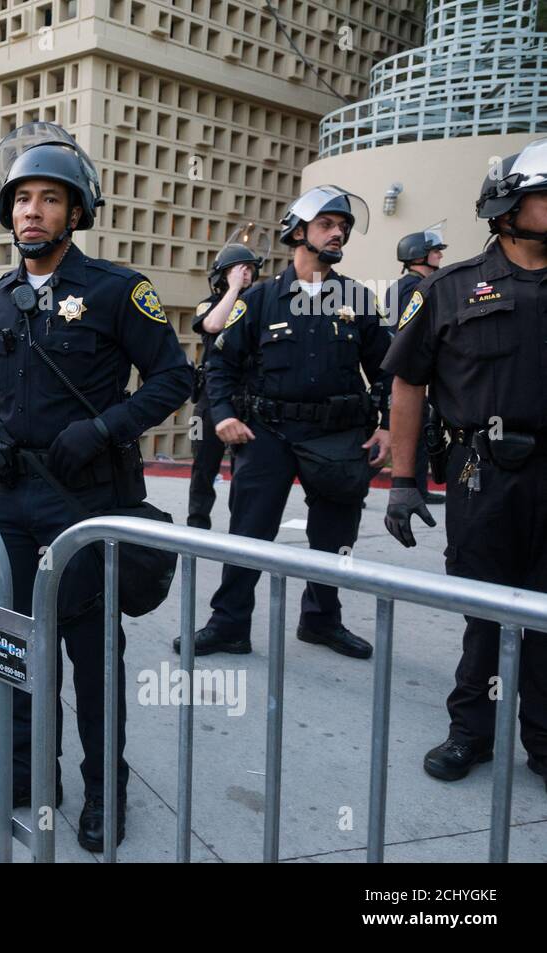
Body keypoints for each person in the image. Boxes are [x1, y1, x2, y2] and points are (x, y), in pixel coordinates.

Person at [0, 123, 193, 850]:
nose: (32, 211)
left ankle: (105, 792)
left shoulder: (118, 291)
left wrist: (108, 427)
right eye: (21, 199)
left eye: (49, 199)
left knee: (93, 656)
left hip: (88, 502)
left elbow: (176, 377)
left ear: (76, 211)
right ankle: (27, 775)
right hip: (15, 504)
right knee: (20, 649)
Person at [383, 139, 547, 792]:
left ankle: (543, 736)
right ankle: (470, 733)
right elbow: (407, 384)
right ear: (507, 205)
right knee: (483, 613)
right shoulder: (448, 290)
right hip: (484, 474)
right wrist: (402, 482)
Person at [175, 186, 393, 662]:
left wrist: (388, 424)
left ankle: (321, 620)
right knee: (249, 532)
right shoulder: (259, 298)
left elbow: (386, 369)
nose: (338, 233)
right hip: (268, 433)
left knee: (334, 538)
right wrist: (226, 415)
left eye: (343, 227)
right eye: (327, 225)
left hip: (337, 435)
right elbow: (221, 364)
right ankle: (229, 624)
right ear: (298, 232)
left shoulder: (356, 298)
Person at [188, 229, 267, 530]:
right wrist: (233, 288)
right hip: (211, 398)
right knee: (203, 467)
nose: (245, 274)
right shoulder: (208, 303)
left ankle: (240, 530)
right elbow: (213, 324)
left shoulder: (259, 306)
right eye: (238, 269)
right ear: (222, 275)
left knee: (245, 470)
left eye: (249, 270)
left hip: (247, 396)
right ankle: (197, 527)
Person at [383, 223, 448, 505]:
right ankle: (417, 489)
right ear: (418, 254)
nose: (440, 256)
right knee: (417, 429)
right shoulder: (417, 288)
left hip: (401, 367)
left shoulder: (404, 286)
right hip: (411, 370)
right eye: (435, 251)